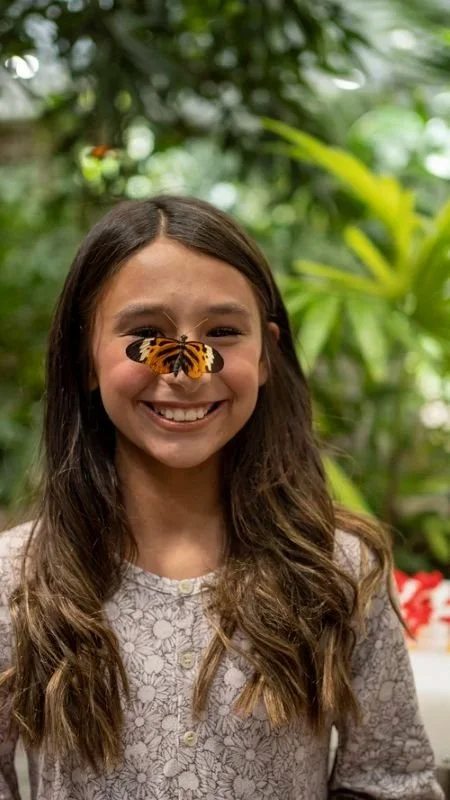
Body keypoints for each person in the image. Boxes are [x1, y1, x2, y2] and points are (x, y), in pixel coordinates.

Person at [0, 195, 443, 800]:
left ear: (265, 354)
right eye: (145, 334)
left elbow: (392, 782)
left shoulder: (337, 572)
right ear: (86, 356)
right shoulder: (17, 583)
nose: (185, 371)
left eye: (224, 333)